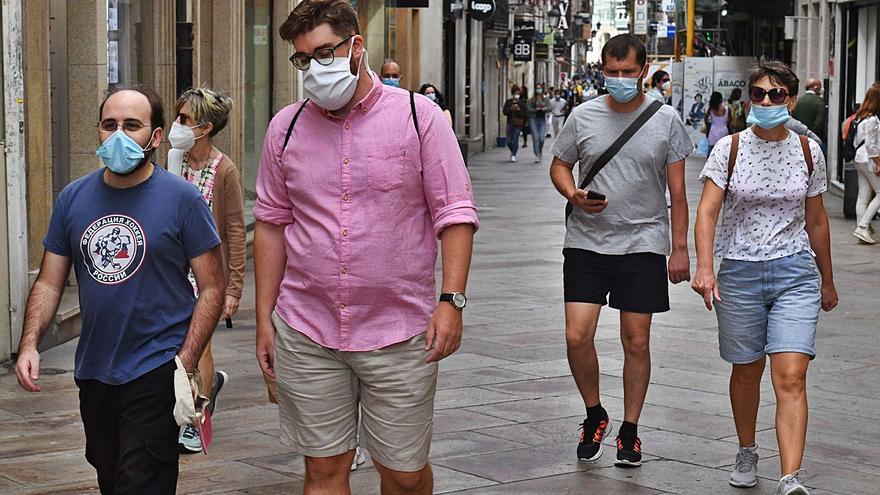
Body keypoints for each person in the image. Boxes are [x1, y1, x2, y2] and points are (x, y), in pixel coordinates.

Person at [254, 2, 479, 494]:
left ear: (358, 46)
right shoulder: (285, 128)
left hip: (398, 332)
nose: (315, 67)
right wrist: (264, 320)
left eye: (325, 52)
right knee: (323, 472)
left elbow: (455, 214)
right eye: (304, 58)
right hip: (307, 329)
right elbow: (272, 224)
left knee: (403, 474)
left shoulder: (422, 119)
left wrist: (451, 301)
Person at [14, 84, 225, 493]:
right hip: (94, 371)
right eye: (110, 125)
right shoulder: (73, 199)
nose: (119, 135)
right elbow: (49, 279)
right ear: (97, 131)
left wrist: (185, 361)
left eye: (132, 125)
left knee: (140, 483)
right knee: (110, 478)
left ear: (156, 137)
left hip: (155, 368)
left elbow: (212, 288)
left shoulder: (183, 200)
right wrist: (28, 344)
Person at [692, 58, 838, 495]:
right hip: (739, 272)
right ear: (750, 98)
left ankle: (790, 478)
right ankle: (746, 449)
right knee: (747, 370)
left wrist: (827, 278)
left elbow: (817, 221)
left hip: (795, 271)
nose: (767, 101)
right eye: (759, 93)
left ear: (790, 100)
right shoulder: (729, 149)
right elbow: (707, 211)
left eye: (776, 94)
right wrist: (704, 265)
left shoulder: (809, 151)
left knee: (791, 374)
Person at [549, 34, 692, 469]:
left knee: (636, 340)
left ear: (643, 71)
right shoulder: (583, 115)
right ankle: (595, 413)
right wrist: (572, 193)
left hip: (643, 242)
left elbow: (679, 192)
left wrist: (680, 249)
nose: (619, 79)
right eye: (611, 72)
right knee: (577, 336)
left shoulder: (666, 120)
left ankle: (630, 430)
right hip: (587, 241)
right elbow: (560, 163)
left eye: (628, 72)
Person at [167, 87, 246, 453]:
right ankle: (198, 395)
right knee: (175, 347)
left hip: (205, 276)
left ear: (205, 127)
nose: (176, 125)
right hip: (169, 274)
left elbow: (234, 230)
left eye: (184, 119)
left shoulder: (224, 169)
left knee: (200, 348)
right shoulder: (172, 158)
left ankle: (197, 420)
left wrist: (233, 290)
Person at [851, 83, 880, 244]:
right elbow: (871, 144)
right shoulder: (873, 120)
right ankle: (863, 227)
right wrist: (878, 161)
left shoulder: (861, 117)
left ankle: (863, 230)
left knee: (863, 196)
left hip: (859, 158)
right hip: (868, 159)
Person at [791, 78, 827, 145]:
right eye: (820, 86)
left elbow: (793, 119)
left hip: (798, 139)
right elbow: (819, 122)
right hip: (815, 140)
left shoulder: (797, 101)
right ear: (815, 87)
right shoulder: (820, 102)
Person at [503, 85, 528, 162]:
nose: (517, 95)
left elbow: (525, 114)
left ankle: (513, 154)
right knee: (509, 141)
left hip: (518, 124)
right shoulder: (508, 102)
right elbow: (505, 112)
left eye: (518, 93)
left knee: (515, 139)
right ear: (513, 94)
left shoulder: (522, 103)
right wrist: (511, 109)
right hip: (510, 123)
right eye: (515, 93)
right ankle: (512, 150)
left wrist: (519, 110)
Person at [529, 82, 550, 162]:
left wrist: (543, 109)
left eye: (539, 88)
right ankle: (536, 154)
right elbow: (528, 109)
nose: (538, 90)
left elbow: (550, 107)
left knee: (541, 138)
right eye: (537, 88)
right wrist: (535, 109)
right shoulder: (531, 99)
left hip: (542, 119)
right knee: (535, 137)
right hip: (533, 118)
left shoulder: (545, 98)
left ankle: (540, 151)